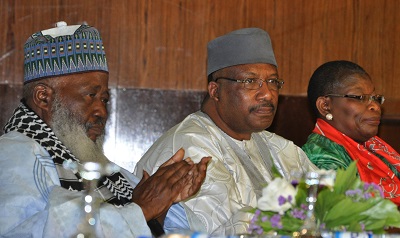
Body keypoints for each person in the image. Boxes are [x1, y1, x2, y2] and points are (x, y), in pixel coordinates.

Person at [0, 21, 210, 237]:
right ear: (44, 97)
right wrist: (141, 209)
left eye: (105, 99)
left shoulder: (102, 168)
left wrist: (164, 201)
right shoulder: (13, 156)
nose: (102, 111)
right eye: (90, 96)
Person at [135, 28, 317, 235]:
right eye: (250, 81)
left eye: (273, 82)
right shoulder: (189, 148)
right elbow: (230, 230)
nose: (267, 94)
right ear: (215, 91)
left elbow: (330, 202)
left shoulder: (278, 146)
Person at [302, 60, 400, 206]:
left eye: (375, 98)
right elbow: (347, 216)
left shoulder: (373, 147)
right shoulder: (320, 158)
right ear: (325, 106)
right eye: (359, 97)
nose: (375, 106)